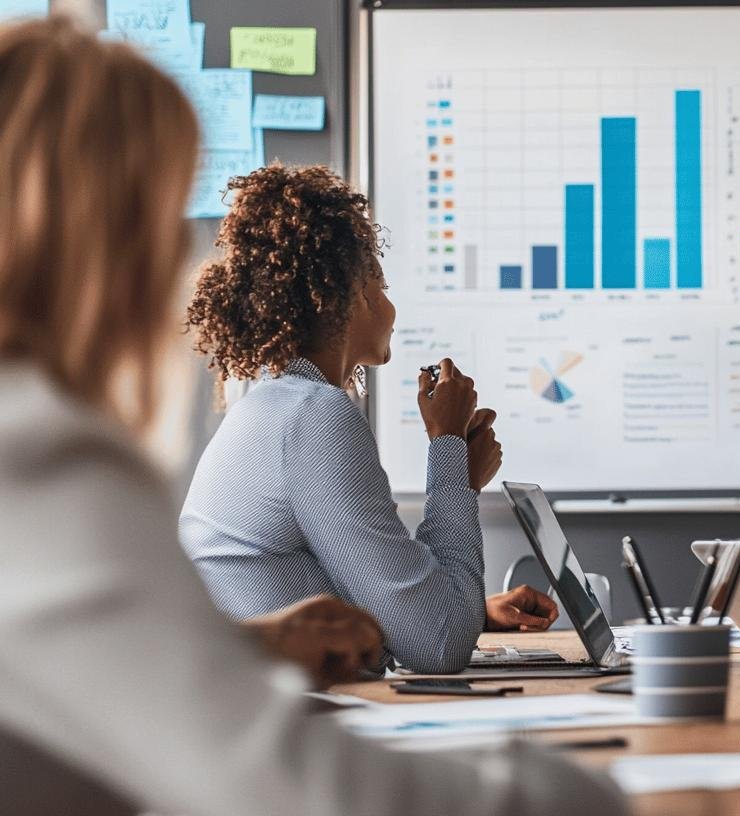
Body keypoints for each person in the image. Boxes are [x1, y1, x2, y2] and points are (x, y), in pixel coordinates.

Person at [0, 17, 625, 814]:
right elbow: (433, 643)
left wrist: (249, 642)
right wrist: (578, 796)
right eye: (155, 224)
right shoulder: (57, 457)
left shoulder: (266, 409)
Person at [180, 165, 558, 674]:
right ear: (353, 294)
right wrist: (449, 456)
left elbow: (385, 608)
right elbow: (437, 645)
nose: (390, 306)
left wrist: (474, 614)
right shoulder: (316, 416)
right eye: (379, 285)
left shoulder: (276, 406)